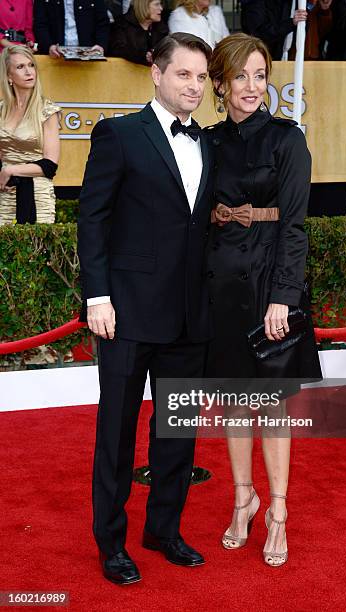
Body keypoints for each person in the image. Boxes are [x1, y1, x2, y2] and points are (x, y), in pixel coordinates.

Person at [78, 32, 213, 585]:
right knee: (117, 432)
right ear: (156, 74)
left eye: (202, 78)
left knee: (177, 431)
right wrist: (98, 296)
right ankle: (111, 542)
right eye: (184, 75)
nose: (194, 87)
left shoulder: (209, 143)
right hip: (128, 313)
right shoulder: (119, 134)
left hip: (189, 315)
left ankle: (163, 529)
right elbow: (93, 220)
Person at [206, 33, 321, 566]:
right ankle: (241, 498)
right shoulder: (207, 142)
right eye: (241, 76)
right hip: (222, 287)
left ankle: (277, 510)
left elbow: (295, 227)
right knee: (233, 400)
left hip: (270, 285)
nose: (252, 86)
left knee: (271, 403)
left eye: (259, 75)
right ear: (221, 83)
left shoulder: (286, 140)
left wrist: (282, 298)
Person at [0, 45, 60, 224]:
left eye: (31, 65)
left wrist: (11, 169)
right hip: (4, 194)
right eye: (20, 67)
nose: (28, 72)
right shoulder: (1, 110)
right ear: (9, 76)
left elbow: (50, 165)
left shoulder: (47, 110)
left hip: (37, 196)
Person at [33, 0, 110, 57]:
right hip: (56, 57)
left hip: (89, 56)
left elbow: (103, 23)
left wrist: (101, 45)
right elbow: (40, 24)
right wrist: (49, 46)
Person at [240, 0, 307, 59]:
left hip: (280, 55)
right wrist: (291, 23)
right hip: (260, 56)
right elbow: (259, 33)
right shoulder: (255, 3)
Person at [109, 0, 168, 65]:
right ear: (144, 6)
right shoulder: (122, 25)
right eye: (156, 4)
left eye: (160, 4)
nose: (161, 8)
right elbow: (118, 51)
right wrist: (144, 55)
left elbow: (168, 53)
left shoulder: (161, 28)